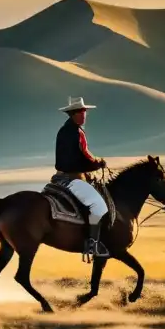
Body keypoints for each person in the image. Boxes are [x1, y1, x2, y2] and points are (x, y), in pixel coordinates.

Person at [54, 96, 109, 258]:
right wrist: (98, 164)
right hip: (73, 178)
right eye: (80, 111)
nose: (84, 114)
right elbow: (83, 157)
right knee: (99, 206)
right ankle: (92, 243)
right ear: (72, 114)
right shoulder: (76, 132)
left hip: (60, 177)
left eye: (84, 111)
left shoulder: (64, 130)